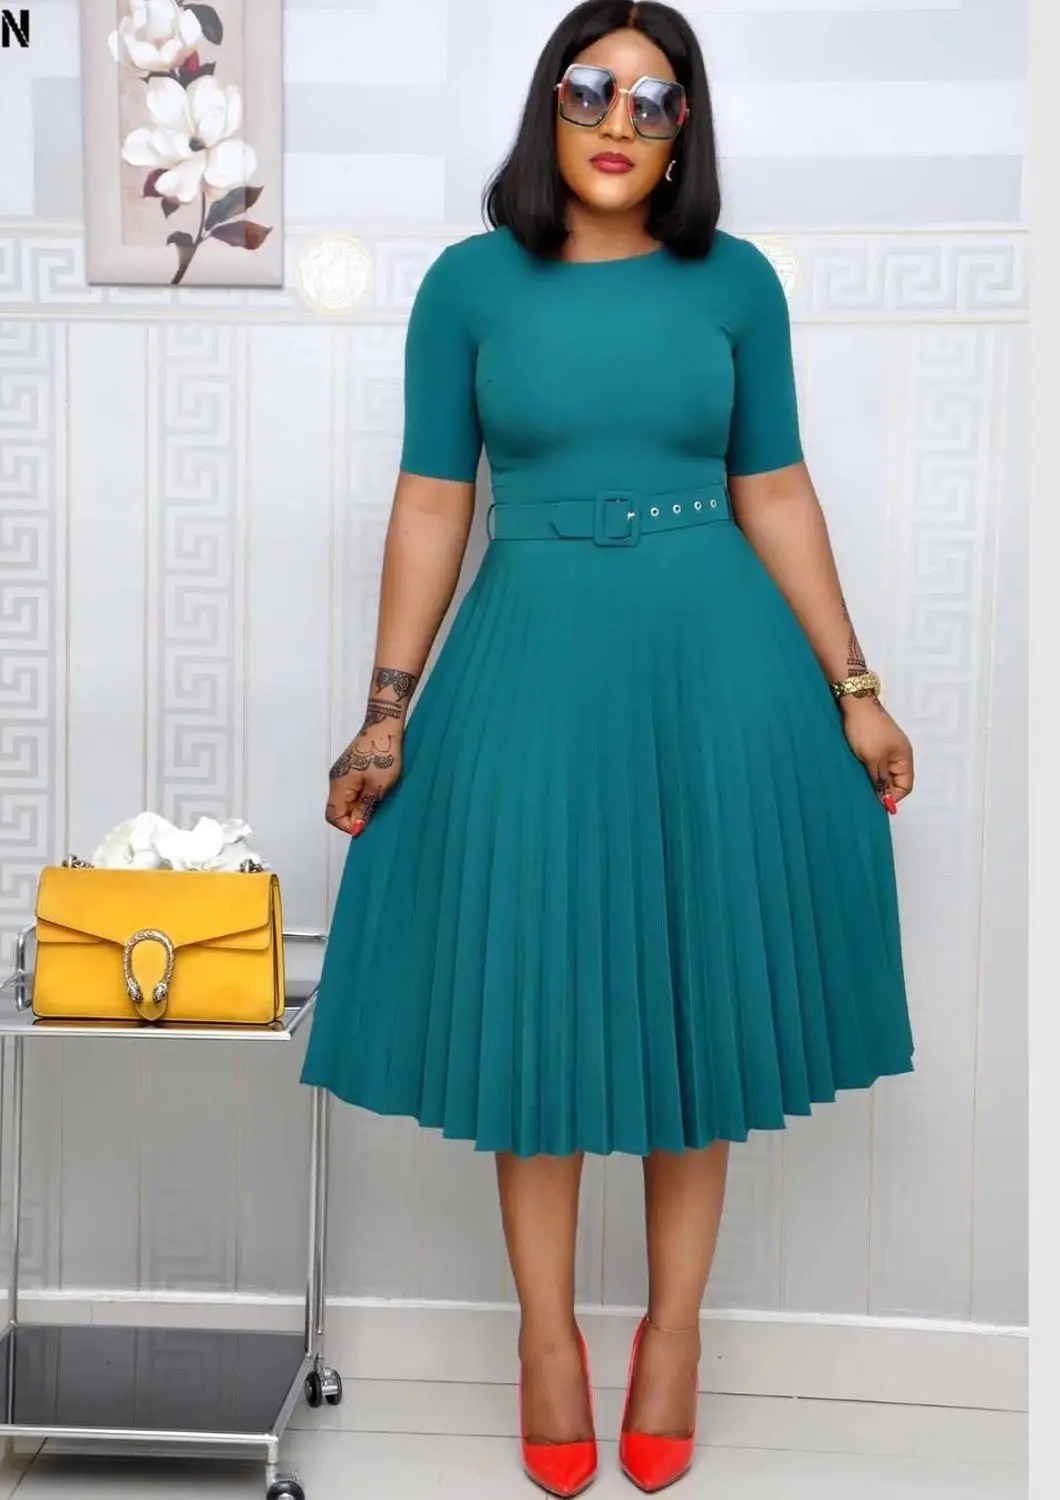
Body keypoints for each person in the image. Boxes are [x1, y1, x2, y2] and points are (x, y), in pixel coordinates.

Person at [300, 1, 915, 1492]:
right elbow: (434, 500)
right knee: (543, 1004)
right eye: (590, 91)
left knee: (698, 1005)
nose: (619, 122)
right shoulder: (467, 285)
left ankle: (675, 1333)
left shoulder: (737, 283)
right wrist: (386, 710)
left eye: (655, 98)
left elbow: (776, 489)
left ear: (686, 127)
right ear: (548, 108)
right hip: (531, 660)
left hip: (717, 668)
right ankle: (546, 1339)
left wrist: (854, 684)